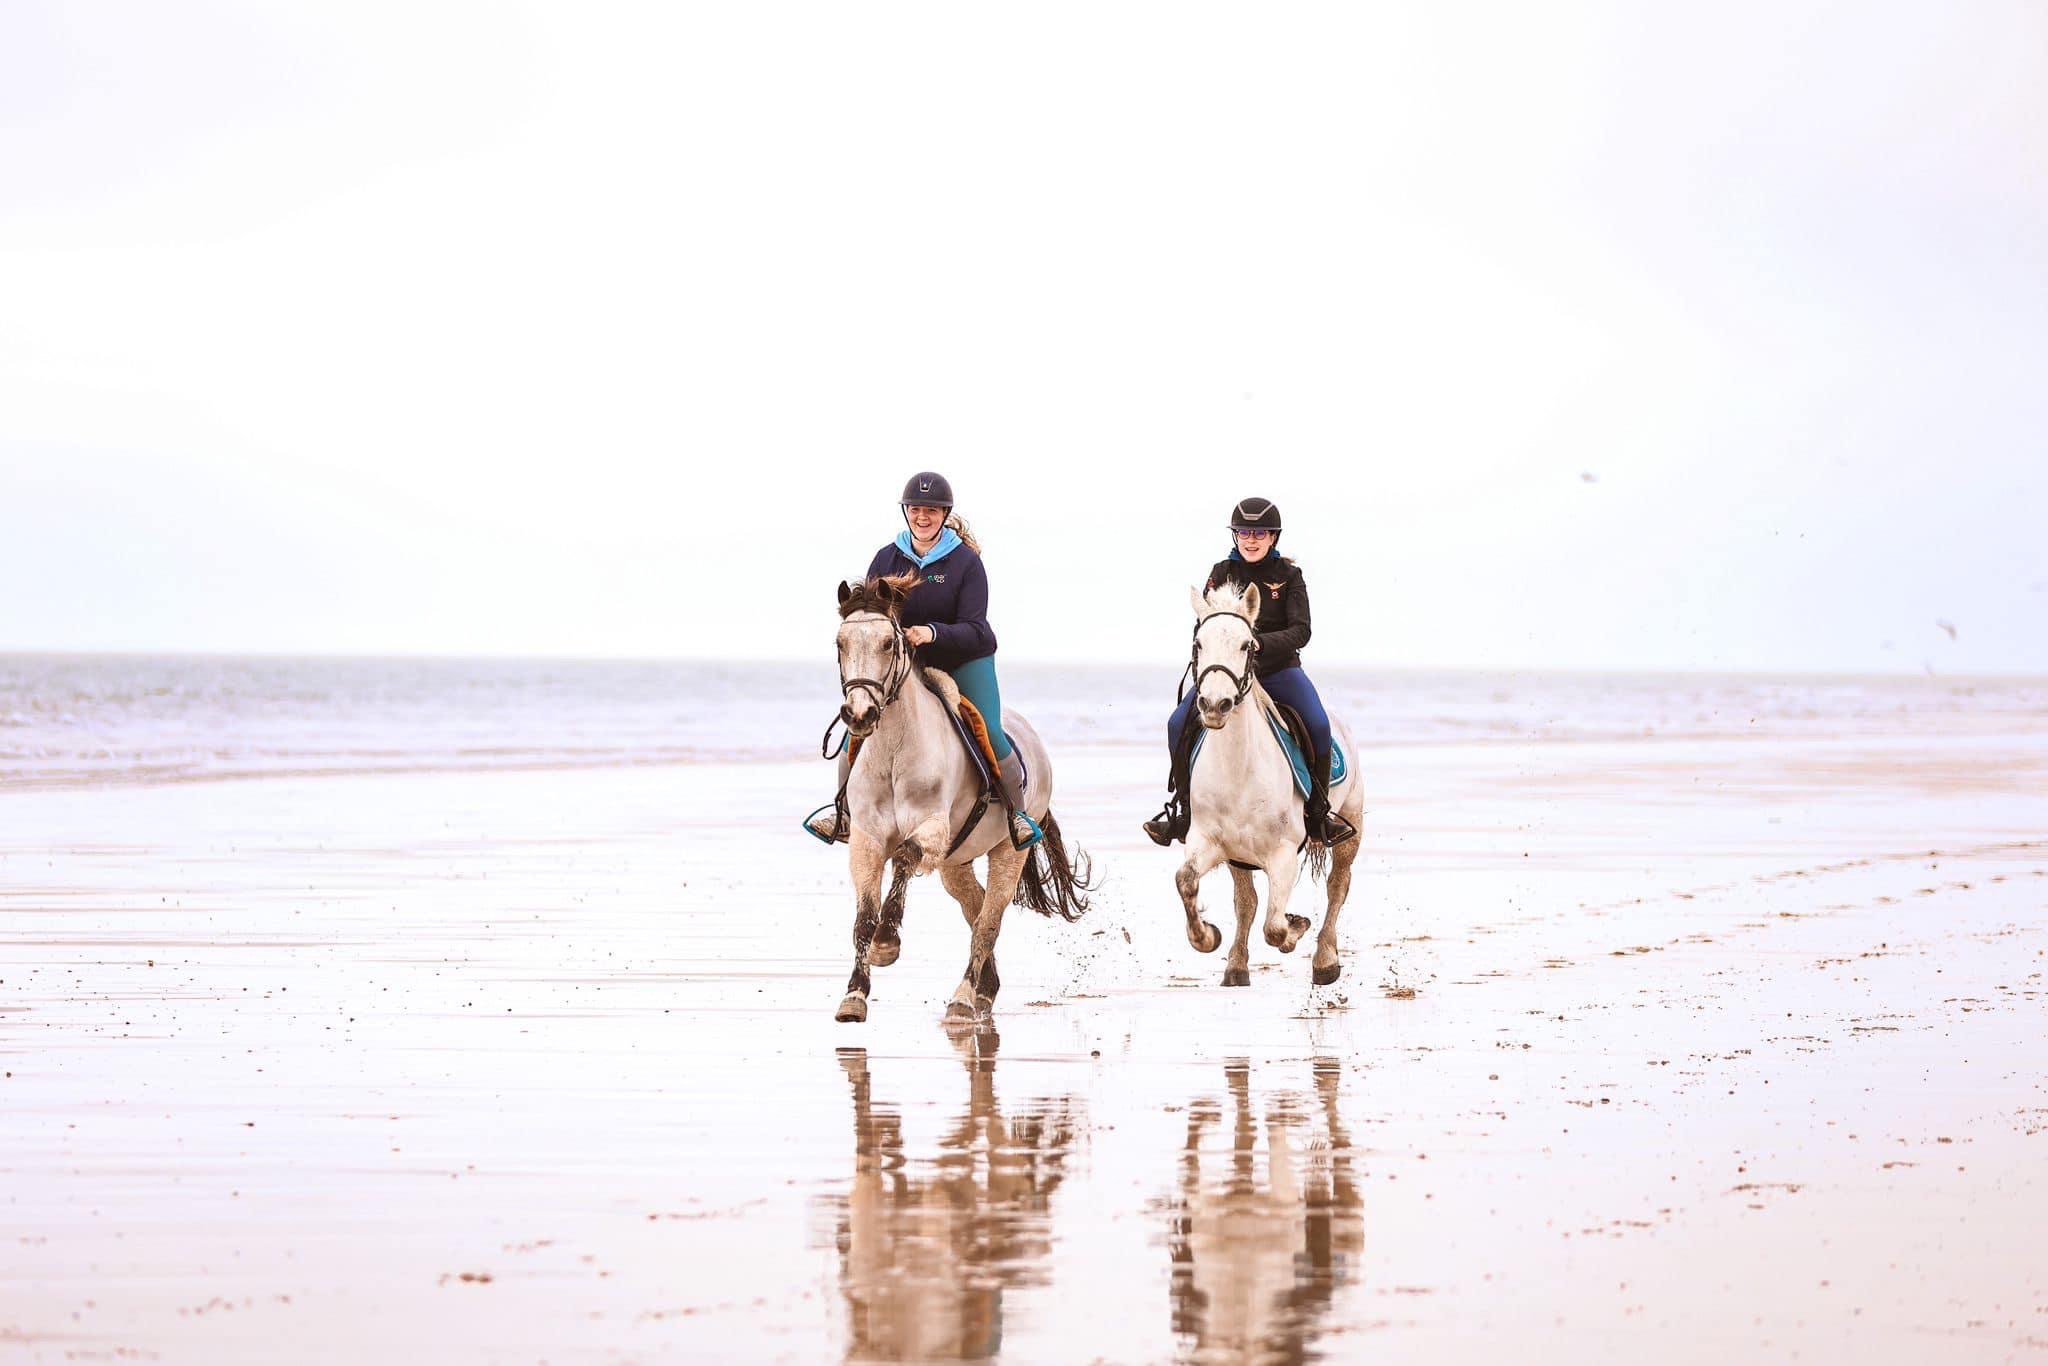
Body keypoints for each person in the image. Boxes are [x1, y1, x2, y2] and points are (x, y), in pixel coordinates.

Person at [807, 471, 1041, 848]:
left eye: (931, 510)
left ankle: (1016, 814)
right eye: (916, 509)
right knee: (859, 725)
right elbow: (872, 614)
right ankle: (845, 813)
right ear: (907, 513)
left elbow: (976, 628)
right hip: (902, 666)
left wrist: (931, 632)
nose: (922, 517)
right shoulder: (886, 557)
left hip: (964, 658)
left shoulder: (966, 563)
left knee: (990, 730)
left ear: (944, 514)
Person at [1143, 496, 1357, 848]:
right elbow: (1205, 623)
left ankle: (1320, 815)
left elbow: (1301, 630)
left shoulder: (1289, 576)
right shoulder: (1221, 572)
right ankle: (1182, 812)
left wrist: (1259, 644)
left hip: (1278, 672)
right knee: (1176, 723)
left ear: (1273, 537)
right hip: (1228, 675)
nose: (1251, 539)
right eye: (1244, 532)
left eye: (1259, 533)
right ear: (1236, 536)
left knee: (1318, 723)